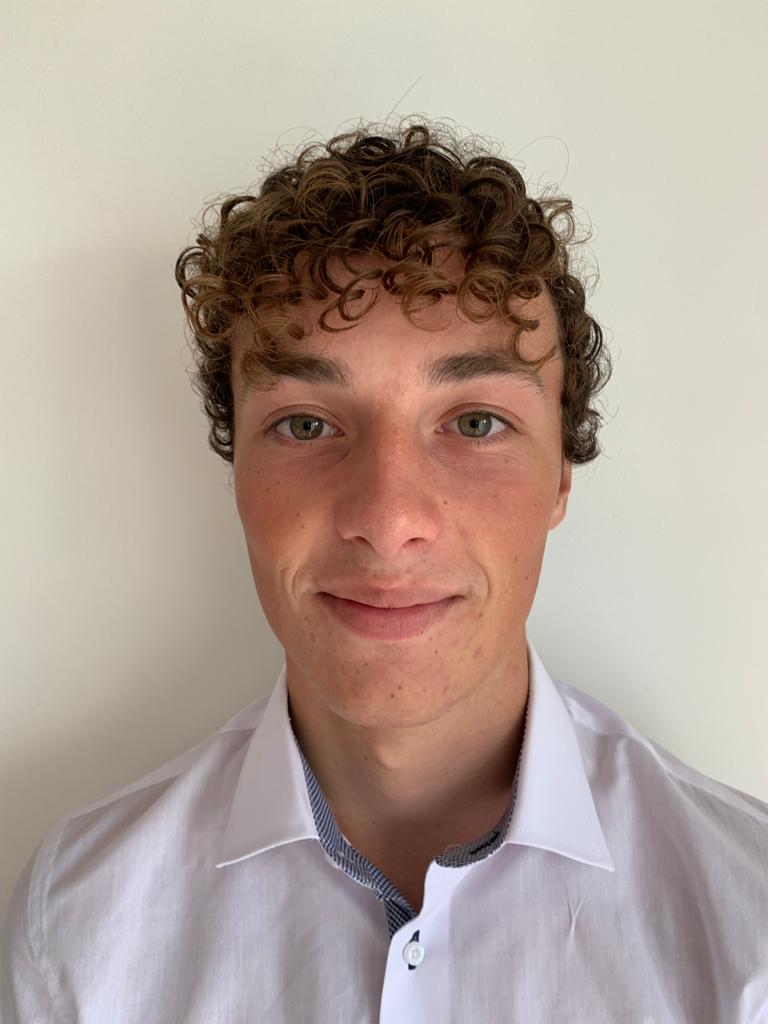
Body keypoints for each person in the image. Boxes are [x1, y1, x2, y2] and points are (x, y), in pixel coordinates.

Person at [1, 117, 766, 1024]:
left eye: (475, 423)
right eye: (306, 424)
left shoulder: (749, 920)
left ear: (561, 477)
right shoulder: (76, 920)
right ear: (237, 472)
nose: (389, 519)